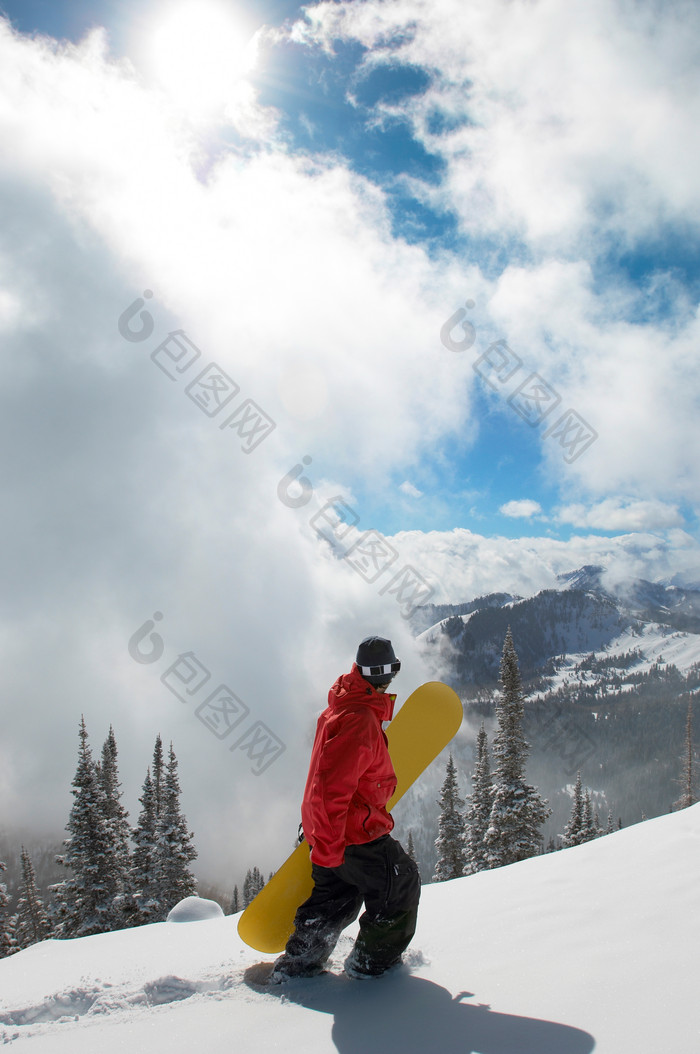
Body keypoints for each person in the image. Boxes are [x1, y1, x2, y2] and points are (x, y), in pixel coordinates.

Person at [271, 636, 421, 982]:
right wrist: (328, 846)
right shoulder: (359, 719)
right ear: (363, 672)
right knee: (400, 884)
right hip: (355, 832)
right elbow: (330, 788)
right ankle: (371, 964)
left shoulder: (344, 705)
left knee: (338, 895)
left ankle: (299, 964)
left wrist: (322, 839)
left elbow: (324, 780)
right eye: (381, 671)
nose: (387, 677)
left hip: (332, 830)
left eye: (392, 669)